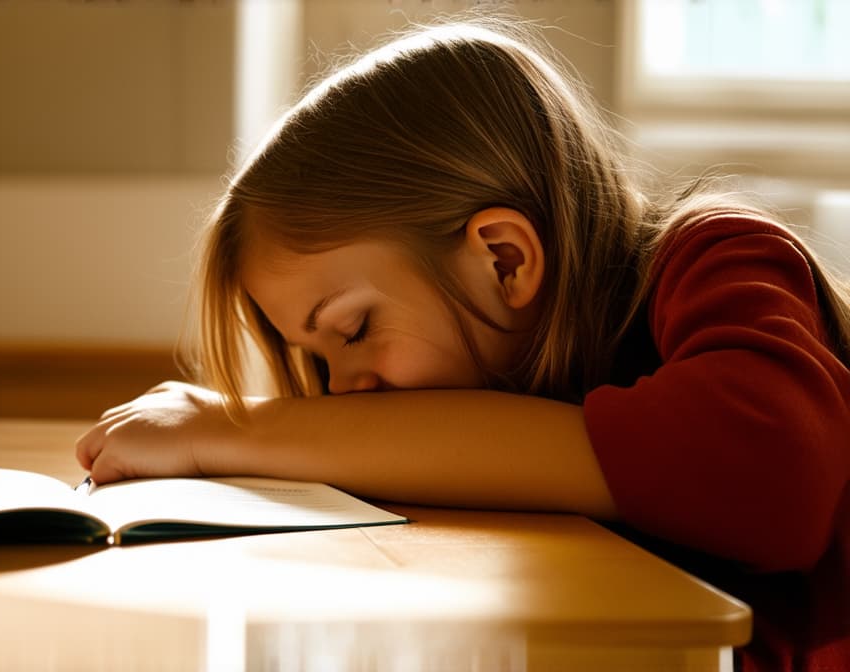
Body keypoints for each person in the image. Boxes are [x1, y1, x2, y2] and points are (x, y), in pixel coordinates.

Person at [75, 18, 850, 672]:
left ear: (504, 260)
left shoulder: (718, 255)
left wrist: (232, 430)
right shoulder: (505, 386)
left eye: (352, 330)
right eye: (316, 359)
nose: (342, 388)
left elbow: (770, 484)